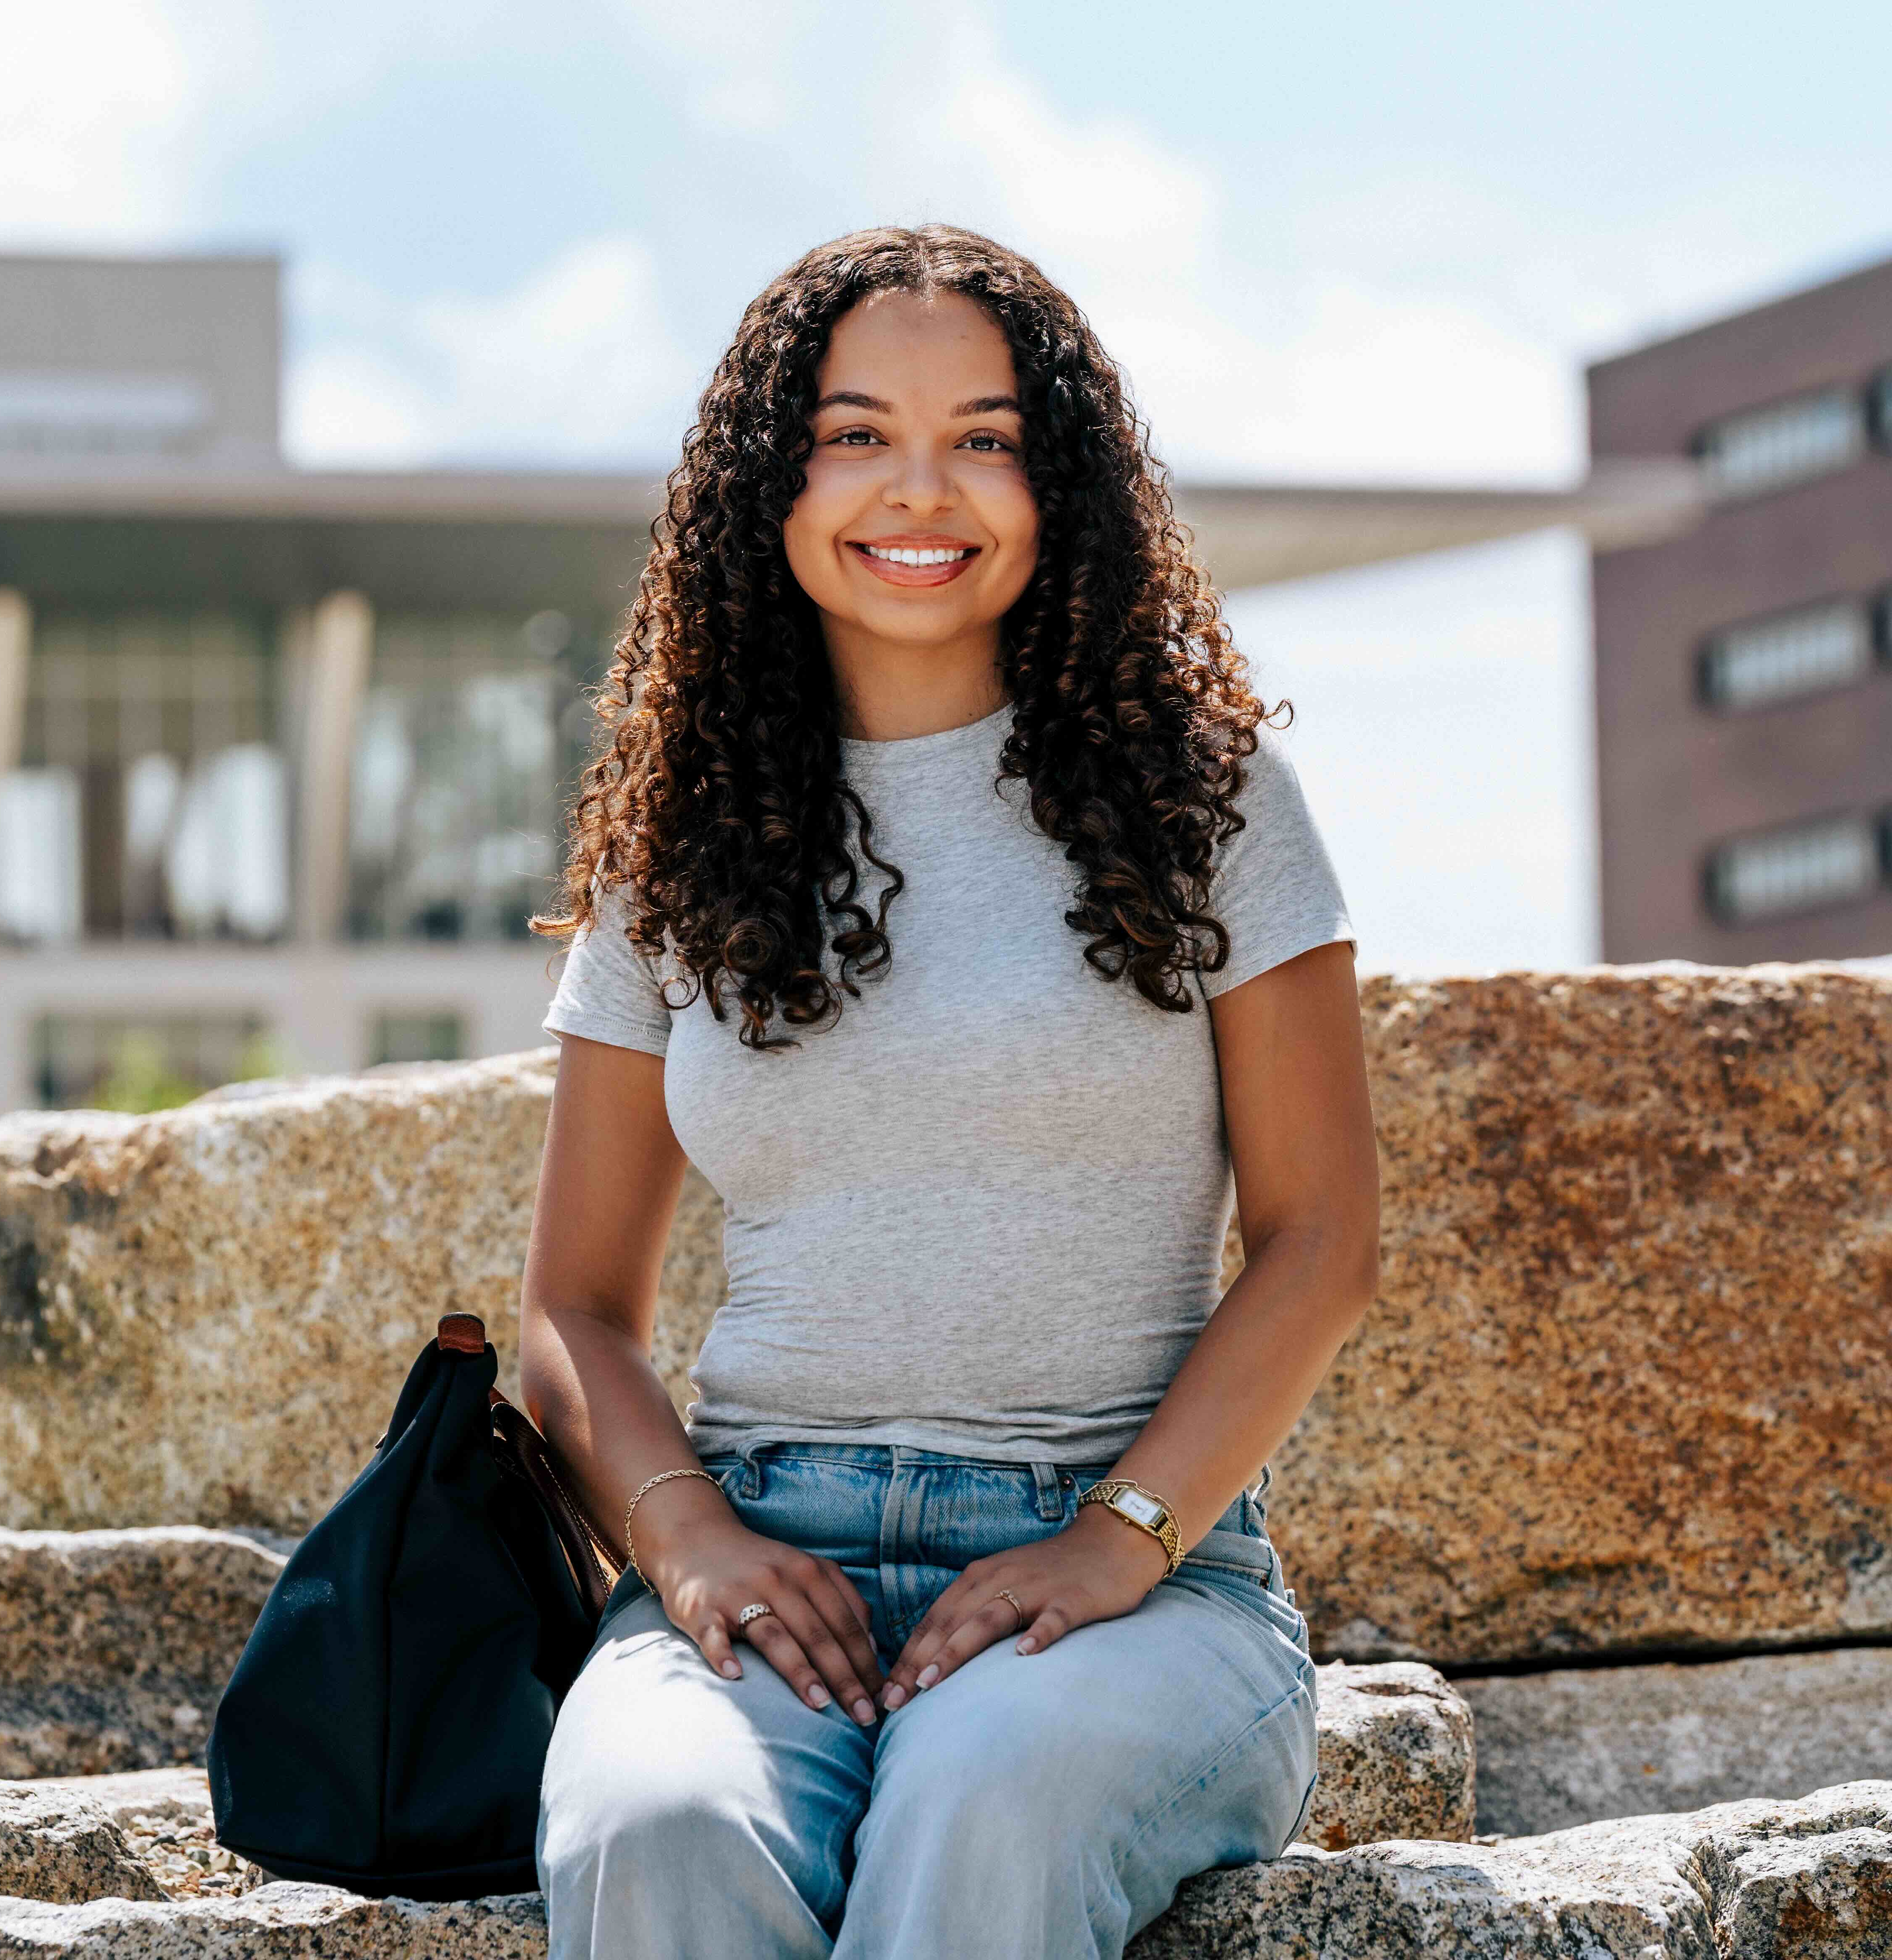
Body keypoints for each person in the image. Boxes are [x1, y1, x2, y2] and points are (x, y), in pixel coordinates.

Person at [518, 224, 1382, 1960]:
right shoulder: (678, 835)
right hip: (767, 1554)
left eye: (985, 436)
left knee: (980, 1797)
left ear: (1057, 481)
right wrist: (688, 1544)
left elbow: (1323, 1239)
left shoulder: (1208, 798)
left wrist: (1123, 1539)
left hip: (1134, 1583)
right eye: (857, 433)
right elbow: (573, 1309)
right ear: (774, 476)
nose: (923, 486)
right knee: (658, 1821)